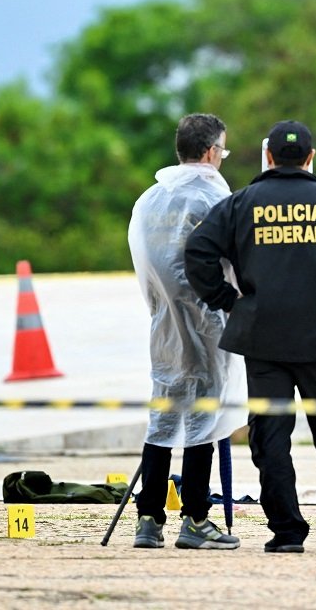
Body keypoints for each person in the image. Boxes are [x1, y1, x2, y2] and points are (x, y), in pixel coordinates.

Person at [185, 120, 316, 554]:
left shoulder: (242, 204)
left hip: (262, 339)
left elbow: (198, 251)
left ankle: (287, 532)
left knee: (272, 437)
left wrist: (229, 301)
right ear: (311, 157)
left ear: (270, 157)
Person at [127, 112, 242, 550]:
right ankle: (195, 518)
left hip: (163, 324)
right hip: (209, 322)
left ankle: (148, 519)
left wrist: (163, 308)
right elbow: (232, 259)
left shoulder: (150, 199)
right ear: (211, 151)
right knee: (202, 421)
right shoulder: (214, 196)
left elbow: (145, 265)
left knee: (162, 415)